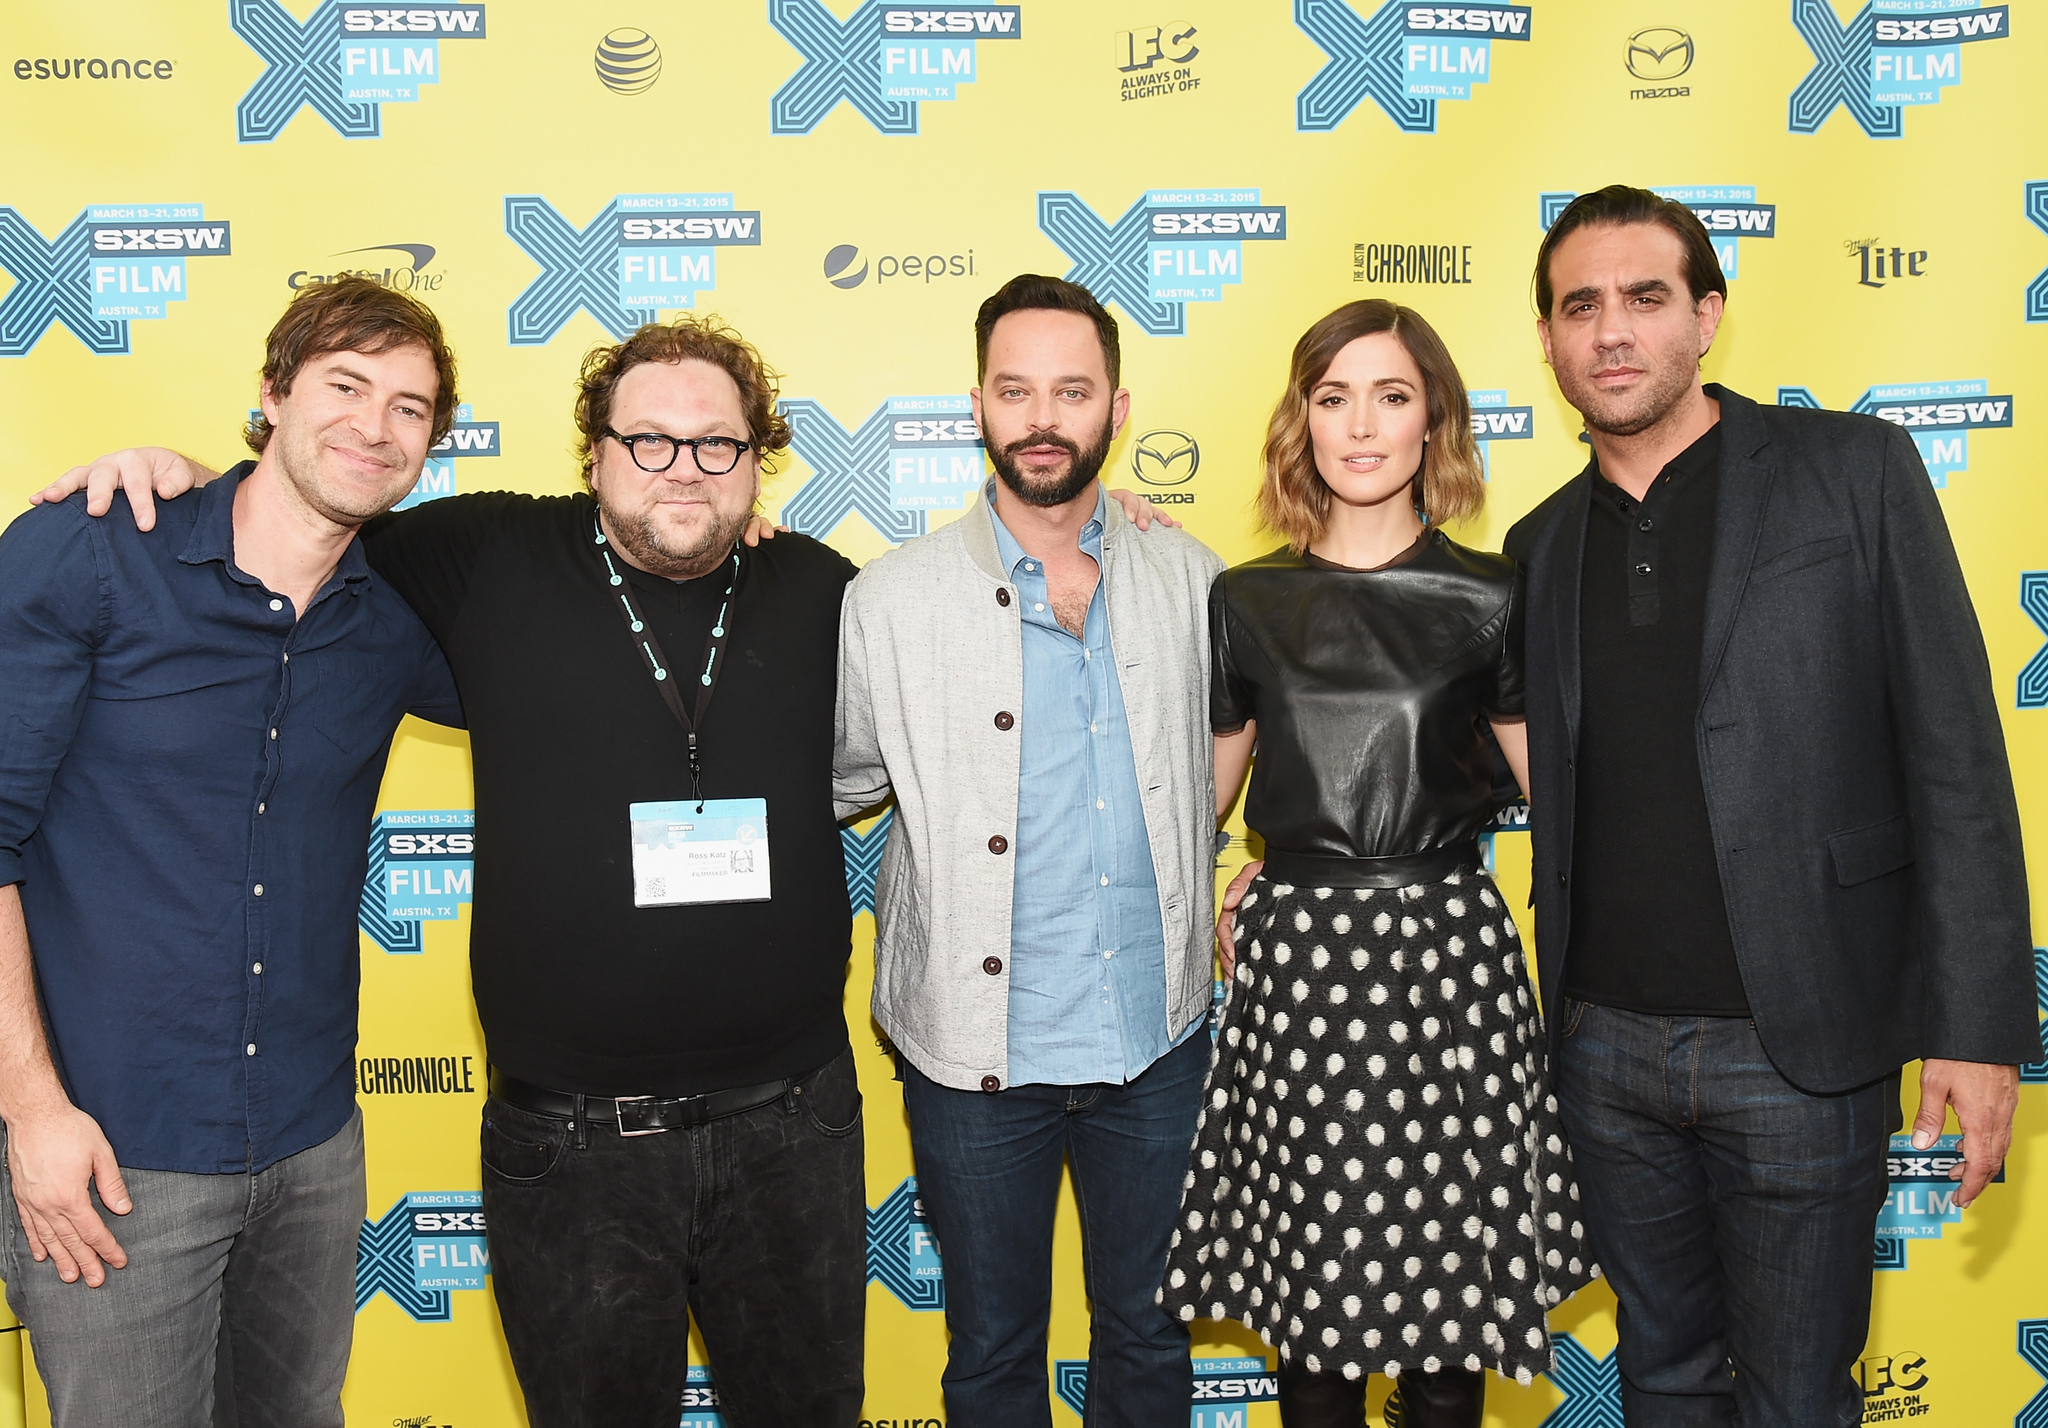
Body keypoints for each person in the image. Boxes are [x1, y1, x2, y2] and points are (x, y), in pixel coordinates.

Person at [37, 316, 868, 1427]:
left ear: (756, 457)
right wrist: (181, 476)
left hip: (795, 1126)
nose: (684, 467)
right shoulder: (480, 555)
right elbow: (300, 511)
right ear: (596, 454)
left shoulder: (825, 590)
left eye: (716, 445)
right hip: (571, 1147)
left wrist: (1101, 536)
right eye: (651, 442)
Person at [1506, 185, 2035, 1424]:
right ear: (1545, 342)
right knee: (1660, 1383)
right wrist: (1301, 848)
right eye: (1579, 306)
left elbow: (1955, 759)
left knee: (1799, 1399)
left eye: (1644, 297)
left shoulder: (1851, 473)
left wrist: (1974, 1028)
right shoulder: (1534, 547)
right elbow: (1459, 743)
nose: (1611, 331)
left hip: (1798, 1041)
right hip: (1600, 1052)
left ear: (1707, 315)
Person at [0, 276, 464, 1426]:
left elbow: (586, 627)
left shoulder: (394, 618)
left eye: (409, 409)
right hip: (113, 1151)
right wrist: (33, 1114)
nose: (375, 425)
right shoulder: (92, 553)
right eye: (345, 387)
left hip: (312, 1143)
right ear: (270, 396)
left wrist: (715, 518)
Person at [1177, 300, 1593, 1428]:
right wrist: (1259, 860)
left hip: (1444, 959)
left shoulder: (1489, 594)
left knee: (1445, 1322)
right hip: (1301, 970)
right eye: (1331, 397)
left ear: (1432, 425)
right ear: (1300, 423)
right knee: (1313, 1326)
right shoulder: (1243, 600)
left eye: (1390, 395)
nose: (1359, 425)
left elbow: (1564, 799)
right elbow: (1201, 802)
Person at [834, 274, 1223, 1426]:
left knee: (1149, 1338)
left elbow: (1246, 752)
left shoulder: (1194, 579)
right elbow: (838, 779)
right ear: (976, 406)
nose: (1042, 415)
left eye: (1071, 389)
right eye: (1015, 390)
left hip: (1155, 1039)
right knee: (992, 1350)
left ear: (1115, 406)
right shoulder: (888, 602)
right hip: (972, 1056)